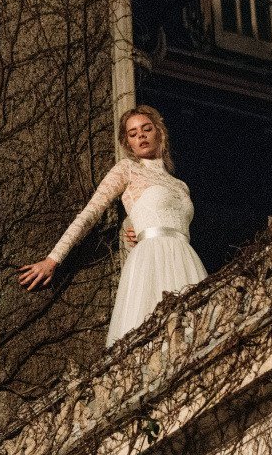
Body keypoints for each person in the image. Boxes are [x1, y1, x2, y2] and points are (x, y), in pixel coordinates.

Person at [18, 105, 207, 347]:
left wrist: (142, 228)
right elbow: (90, 213)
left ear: (160, 132)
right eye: (133, 133)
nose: (141, 136)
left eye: (146, 129)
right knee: (151, 337)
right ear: (128, 144)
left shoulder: (181, 186)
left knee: (196, 335)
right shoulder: (127, 169)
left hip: (186, 259)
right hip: (151, 260)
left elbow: (168, 221)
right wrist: (52, 259)